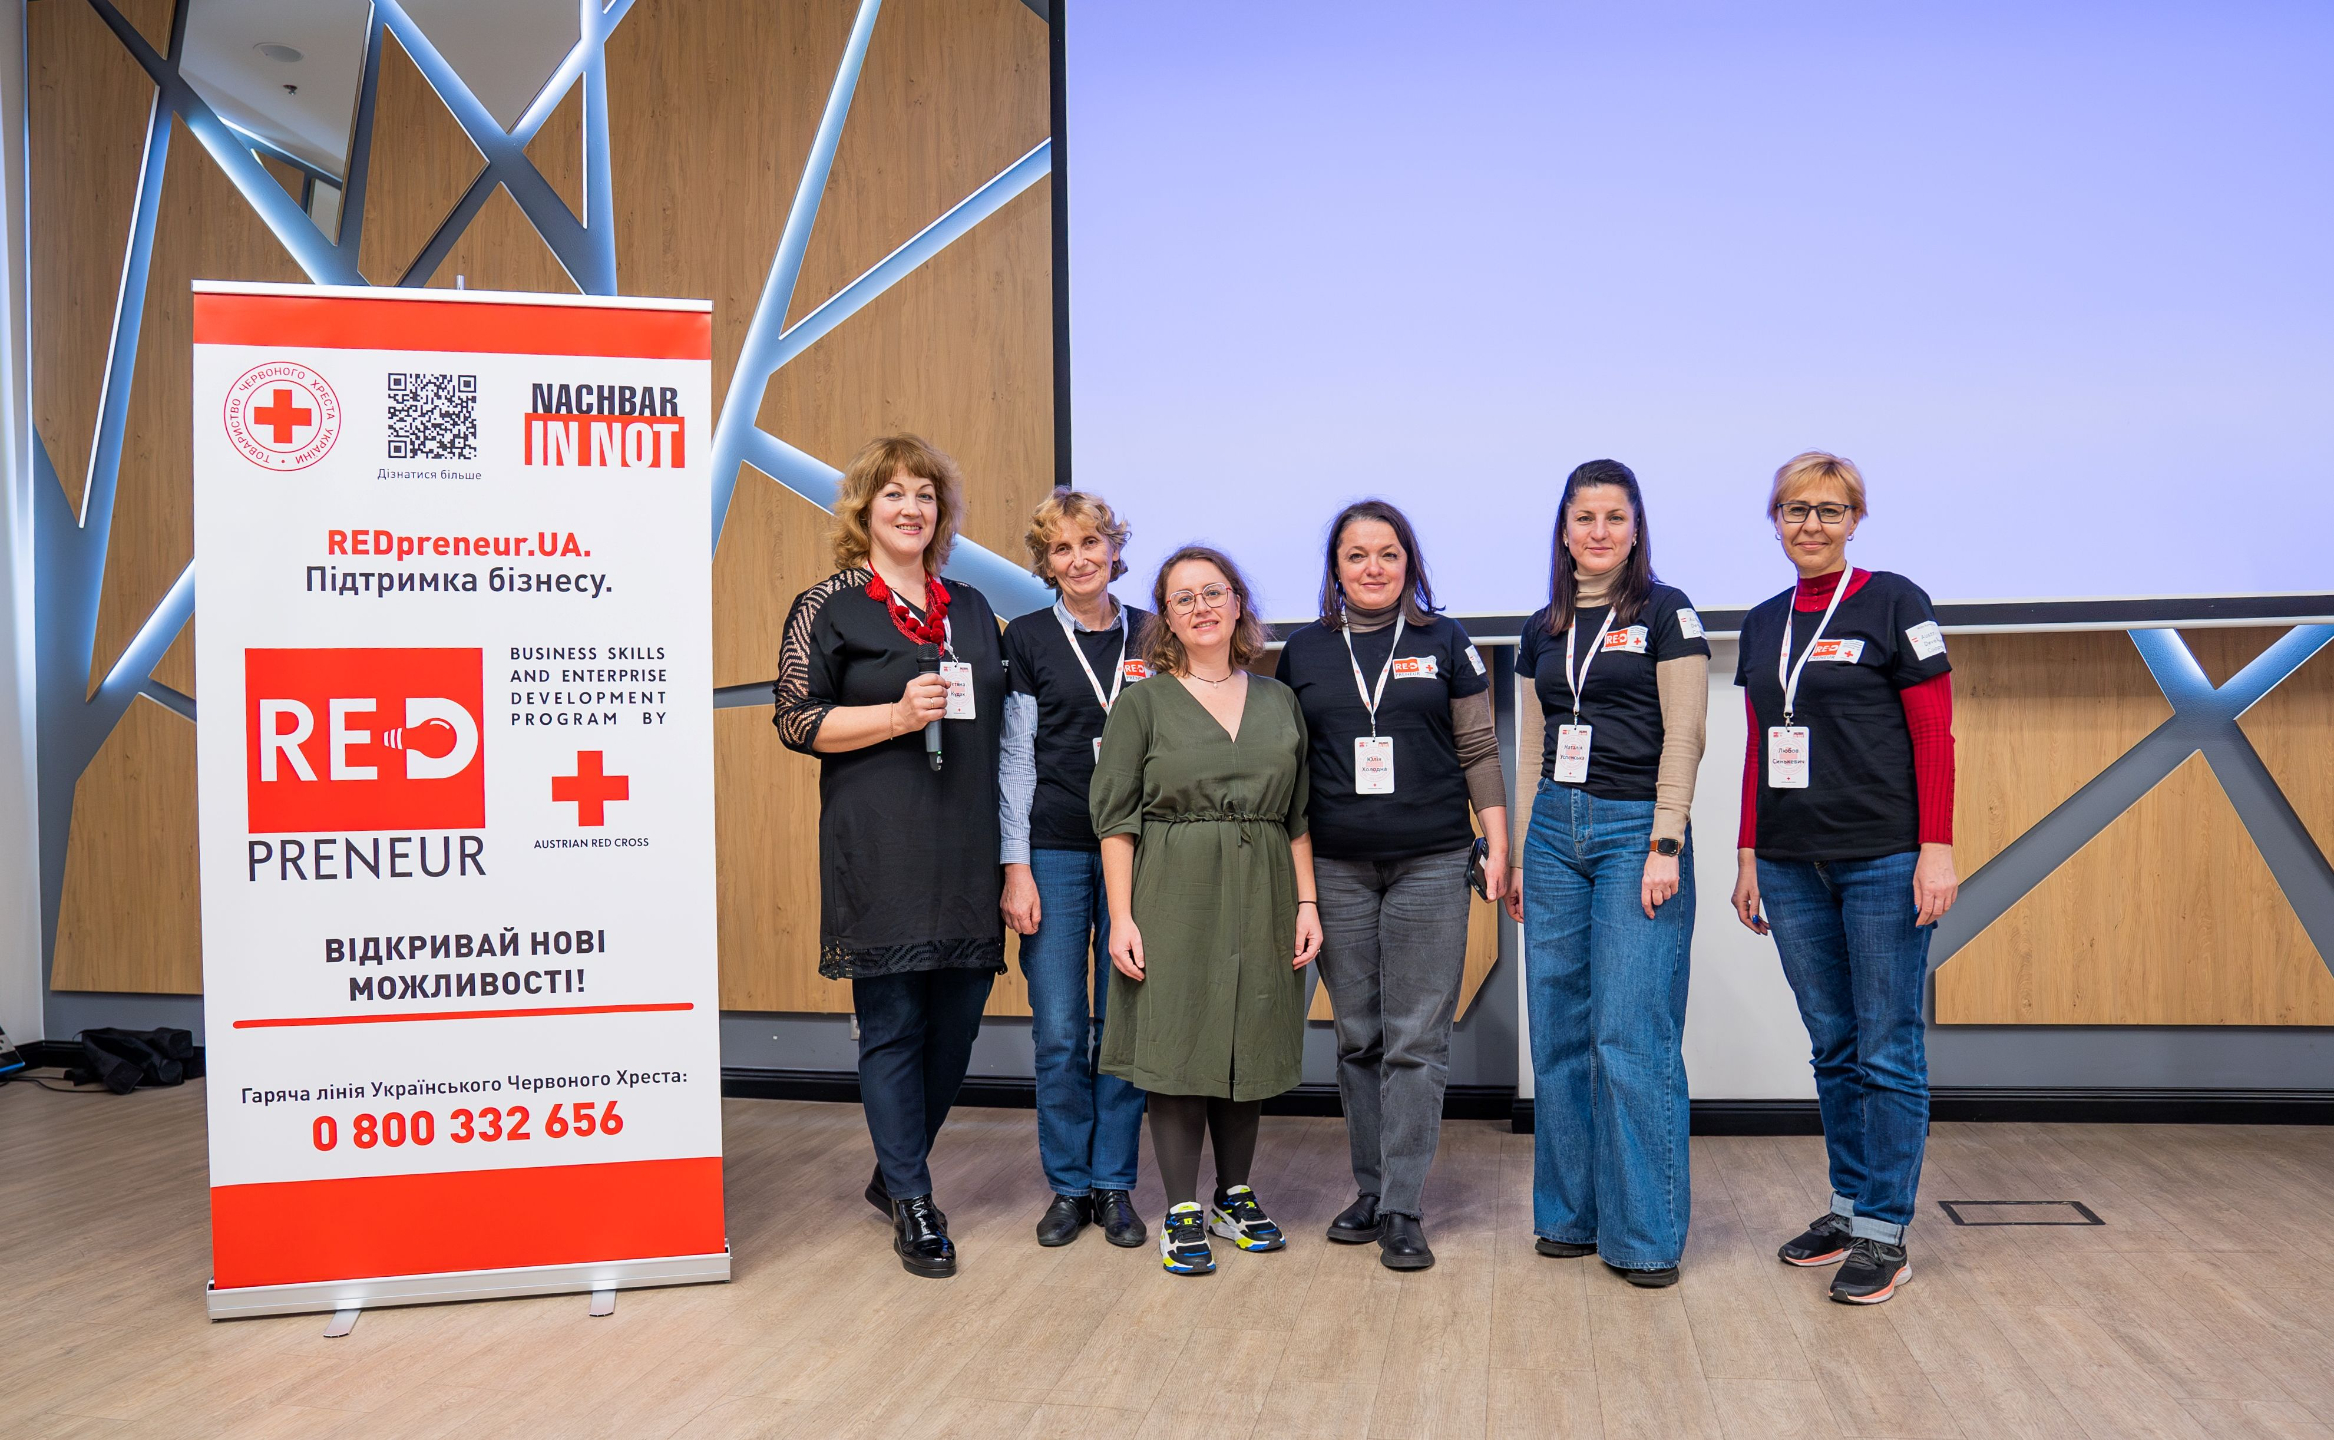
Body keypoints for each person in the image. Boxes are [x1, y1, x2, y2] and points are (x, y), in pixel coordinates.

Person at [773, 434, 1008, 1280]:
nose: (911, 508)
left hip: (967, 845)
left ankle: (893, 1168)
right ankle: (912, 1198)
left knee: (958, 1024)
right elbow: (796, 719)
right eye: (894, 493)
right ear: (865, 509)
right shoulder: (828, 606)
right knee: (894, 1023)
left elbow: (1005, 727)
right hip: (879, 844)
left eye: (925, 495)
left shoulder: (971, 607)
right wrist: (896, 718)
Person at [1730, 450, 1958, 1306]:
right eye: (1795, 509)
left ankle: (1885, 1233)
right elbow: (1759, 745)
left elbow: (1934, 734)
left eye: (1830, 510)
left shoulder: (1895, 601)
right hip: (1790, 863)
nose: (1811, 525)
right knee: (1832, 1043)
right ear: (1775, 521)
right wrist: (1748, 854)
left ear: (1856, 520)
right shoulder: (1764, 622)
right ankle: (1851, 1206)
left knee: (1886, 1046)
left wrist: (1936, 847)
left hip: (1884, 858)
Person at [1274, 500, 1507, 1270]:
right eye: (1356, 555)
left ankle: (1404, 1205)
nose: (1373, 568)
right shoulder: (1304, 651)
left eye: (1388, 554)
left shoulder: (1446, 641)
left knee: (1415, 1038)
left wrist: (1498, 843)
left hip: (1432, 861)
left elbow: (1478, 748)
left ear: (1410, 563)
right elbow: (1291, 767)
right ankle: (1370, 1189)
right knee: (1359, 1037)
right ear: (1335, 569)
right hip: (1336, 868)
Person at [1090, 545, 1322, 1276]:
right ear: (1166, 617)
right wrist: (1122, 918)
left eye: (1212, 592)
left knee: (1249, 1032)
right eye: (1183, 598)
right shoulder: (1142, 703)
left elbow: (1298, 816)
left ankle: (1235, 1195)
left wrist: (1307, 902)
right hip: (1174, 888)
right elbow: (1116, 821)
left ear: (1237, 602)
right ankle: (1182, 1208)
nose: (1201, 607)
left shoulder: (1279, 700)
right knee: (1179, 1039)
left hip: (1267, 888)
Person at [1506, 459, 1709, 1288]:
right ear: (1564, 530)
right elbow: (1531, 747)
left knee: (1630, 1038)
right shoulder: (1541, 627)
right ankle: (1569, 1217)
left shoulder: (1667, 612)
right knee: (1558, 1035)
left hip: (1635, 831)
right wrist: (1524, 852)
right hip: (1554, 832)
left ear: (1635, 528)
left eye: (1614, 517)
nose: (1598, 531)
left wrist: (1666, 841)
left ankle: (1644, 1237)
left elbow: (1686, 733)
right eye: (1584, 517)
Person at [998, 489, 1152, 1249]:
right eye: (1062, 548)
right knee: (1060, 1030)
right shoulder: (1027, 637)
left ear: (1114, 550)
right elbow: (1014, 758)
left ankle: (1113, 1184)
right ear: (1046, 563)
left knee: (1122, 1027)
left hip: (1144, 854)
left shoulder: (1154, 633)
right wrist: (1015, 866)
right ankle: (1068, 1187)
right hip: (1054, 849)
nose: (1079, 558)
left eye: (1091, 542)